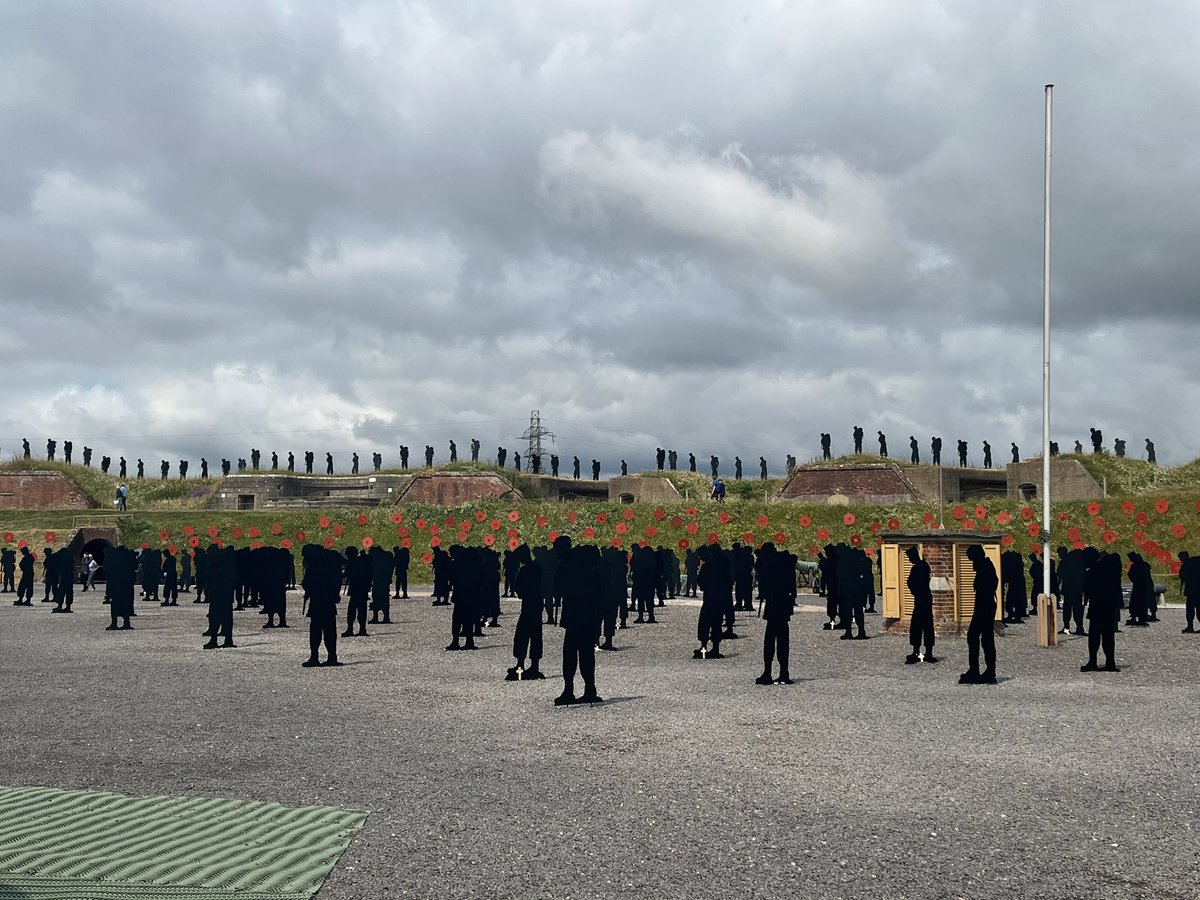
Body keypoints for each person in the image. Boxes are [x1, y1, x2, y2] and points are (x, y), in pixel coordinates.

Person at [554, 538, 603, 705]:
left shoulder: (566, 565)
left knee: (569, 655)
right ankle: (590, 688)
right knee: (586, 653)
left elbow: (557, 589)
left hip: (573, 614)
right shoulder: (586, 564)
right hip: (588, 613)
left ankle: (569, 690)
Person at [755, 543, 795, 684]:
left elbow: (764, 586)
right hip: (784, 605)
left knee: (770, 641)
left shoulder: (769, 565)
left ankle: (768, 672)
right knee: (784, 640)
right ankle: (784, 671)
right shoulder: (786, 564)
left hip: (773, 605)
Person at [960, 545, 999, 684]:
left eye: (971, 558)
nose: (971, 562)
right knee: (979, 637)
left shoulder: (985, 568)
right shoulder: (985, 567)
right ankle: (979, 670)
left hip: (985, 607)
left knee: (981, 637)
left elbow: (987, 588)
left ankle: (983, 671)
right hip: (984, 606)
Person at [507, 546, 545, 679]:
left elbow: (519, 587)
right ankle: (533, 664)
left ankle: (521, 663)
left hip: (530, 604)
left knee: (523, 634)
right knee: (535, 635)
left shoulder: (526, 570)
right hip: (536, 604)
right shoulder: (537, 567)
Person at [1081, 552, 1121, 672]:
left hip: (1097, 606)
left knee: (1094, 635)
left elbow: (1085, 587)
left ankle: (1093, 661)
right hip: (1109, 607)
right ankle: (1110, 661)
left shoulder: (1093, 571)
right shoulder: (1112, 571)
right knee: (1108, 635)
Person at [905, 545, 936, 663]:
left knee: (922, 625)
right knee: (922, 625)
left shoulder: (919, 567)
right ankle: (923, 652)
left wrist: (915, 590)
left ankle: (921, 651)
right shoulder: (923, 566)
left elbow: (911, 582)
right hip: (923, 598)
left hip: (922, 599)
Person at [1179, 550, 1199, 633]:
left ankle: (1190, 626)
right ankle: (1190, 626)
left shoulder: (1186, 565)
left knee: (1190, 610)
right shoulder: (1195, 563)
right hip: (1196, 590)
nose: (1180, 560)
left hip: (1192, 591)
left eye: (1180, 558)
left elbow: (1182, 576)